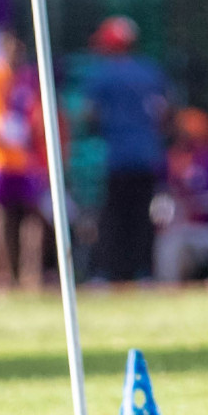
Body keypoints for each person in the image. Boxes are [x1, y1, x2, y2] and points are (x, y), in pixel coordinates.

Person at [80, 17, 167, 282]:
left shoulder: (102, 74)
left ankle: (109, 272)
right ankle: (142, 272)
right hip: (146, 155)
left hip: (115, 157)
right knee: (142, 217)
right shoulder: (150, 71)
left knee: (112, 217)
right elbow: (165, 112)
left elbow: (89, 115)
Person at [0, 31, 48, 289]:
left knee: (33, 217)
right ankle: (3, 275)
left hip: (26, 160)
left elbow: (37, 115)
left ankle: (30, 274)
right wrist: (14, 132)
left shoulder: (28, 78)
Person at [155, 107, 208, 282]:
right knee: (167, 243)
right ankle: (166, 285)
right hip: (181, 224)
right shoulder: (172, 158)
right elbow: (164, 194)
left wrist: (198, 203)